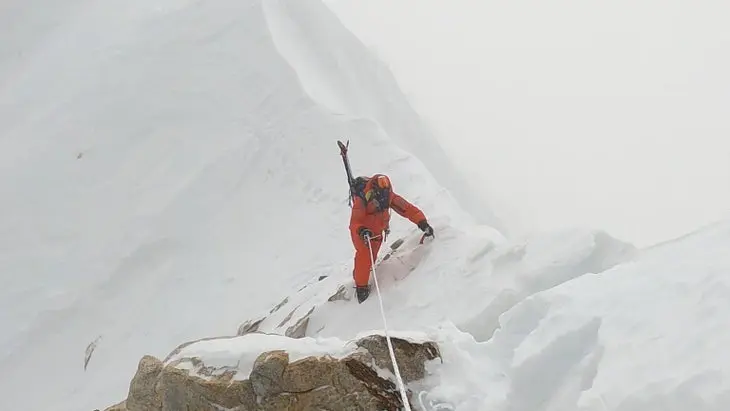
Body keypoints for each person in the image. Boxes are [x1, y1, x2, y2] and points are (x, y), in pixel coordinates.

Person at [349, 173, 434, 303]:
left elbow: (407, 208)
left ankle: (361, 278)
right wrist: (361, 230)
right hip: (362, 234)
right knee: (365, 257)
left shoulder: (389, 196)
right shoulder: (362, 200)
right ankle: (361, 288)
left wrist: (421, 222)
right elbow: (355, 222)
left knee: (370, 260)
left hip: (376, 234)